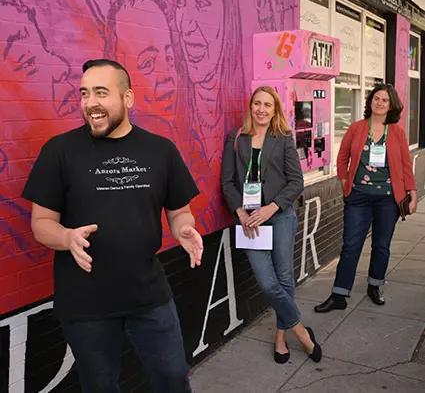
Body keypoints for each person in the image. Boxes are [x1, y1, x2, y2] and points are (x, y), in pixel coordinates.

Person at [21, 59, 203, 393]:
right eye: (85, 93)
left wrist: (183, 229)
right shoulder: (59, 151)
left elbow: (180, 212)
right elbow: (41, 223)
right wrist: (66, 237)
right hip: (85, 302)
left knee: (174, 380)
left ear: (128, 98)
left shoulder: (160, 150)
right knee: (100, 386)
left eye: (101, 93)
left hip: (148, 295)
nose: (90, 103)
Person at [221, 85, 322, 364]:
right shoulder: (237, 138)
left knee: (285, 278)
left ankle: (280, 337)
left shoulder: (283, 138)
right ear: (250, 107)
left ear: (275, 109)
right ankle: (300, 331)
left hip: (279, 216)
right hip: (250, 220)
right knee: (267, 282)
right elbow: (227, 181)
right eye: (257, 104)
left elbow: (296, 182)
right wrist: (240, 212)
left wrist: (271, 208)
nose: (261, 109)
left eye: (267, 104)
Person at [315, 84, 418, 313]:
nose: (379, 103)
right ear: (370, 101)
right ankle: (339, 295)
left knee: (381, 246)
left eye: (385, 100)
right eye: (376, 98)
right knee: (351, 245)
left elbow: (405, 164)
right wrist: (345, 185)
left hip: (388, 200)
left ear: (391, 106)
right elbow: (341, 160)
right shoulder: (356, 128)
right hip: (358, 198)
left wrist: (412, 192)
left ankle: (375, 286)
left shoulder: (397, 132)